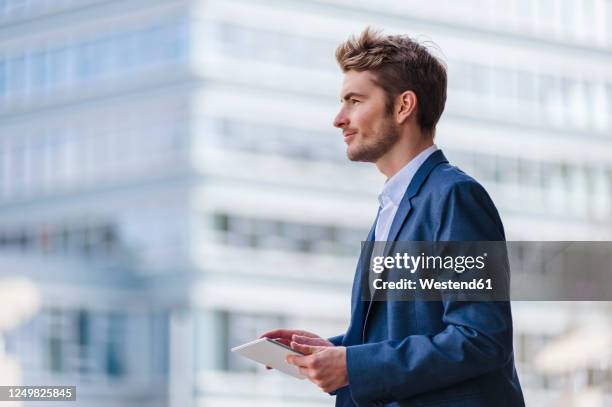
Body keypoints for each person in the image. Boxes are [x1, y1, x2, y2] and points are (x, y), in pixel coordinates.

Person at [260, 28, 525, 407]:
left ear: (403, 107)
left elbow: (481, 338)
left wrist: (353, 365)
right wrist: (330, 353)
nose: (339, 119)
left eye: (354, 101)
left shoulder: (455, 197)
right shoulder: (392, 206)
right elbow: (401, 334)